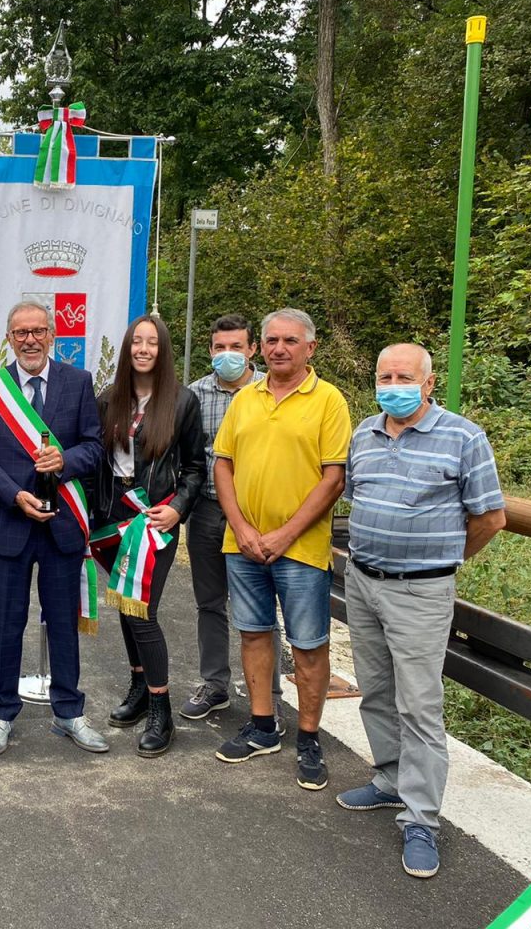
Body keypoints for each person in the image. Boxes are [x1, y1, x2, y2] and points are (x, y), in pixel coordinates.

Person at [336, 343, 505, 879]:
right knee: (376, 691)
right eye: (384, 376)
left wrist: (442, 559)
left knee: (420, 707)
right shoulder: (364, 432)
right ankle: (389, 779)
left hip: (421, 592)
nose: (393, 385)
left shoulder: (463, 437)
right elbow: (357, 495)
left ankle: (421, 819)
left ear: (429, 384)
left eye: (404, 377)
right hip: (363, 581)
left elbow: (490, 518)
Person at [212, 307, 351, 790]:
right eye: (271, 340)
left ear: (310, 347)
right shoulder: (244, 398)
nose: (279, 348)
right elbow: (223, 464)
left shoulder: (329, 401)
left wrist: (284, 534)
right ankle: (262, 726)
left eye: (290, 340)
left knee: (308, 644)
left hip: (301, 549)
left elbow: (334, 479)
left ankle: (309, 737)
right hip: (243, 544)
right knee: (253, 633)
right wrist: (241, 528)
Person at [0, 301, 107, 757]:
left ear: (52, 335)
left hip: (62, 527)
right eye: (21, 332)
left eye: (38, 331)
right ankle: (3, 713)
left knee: (63, 622)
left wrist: (64, 460)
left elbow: (94, 447)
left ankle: (68, 711)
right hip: (10, 524)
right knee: (8, 624)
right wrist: (14, 496)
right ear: (9, 338)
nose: (30, 340)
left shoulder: (78, 381)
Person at [92, 315, 205, 757]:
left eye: (152, 342)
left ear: (163, 350)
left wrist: (178, 509)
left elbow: (195, 466)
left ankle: (162, 709)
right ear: (127, 349)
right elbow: (97, 461)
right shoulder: (109, 399)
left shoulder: (182, 401)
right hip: (114, 515)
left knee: (143, 613)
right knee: (126, 604)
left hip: (156, 518)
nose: (143, 349)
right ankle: (139, 688)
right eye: (136, 341)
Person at [182, 315, 284, 723]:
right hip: (207, 511)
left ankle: (270, 695)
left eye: (237, 347)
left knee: (261, 608)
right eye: (220, 348)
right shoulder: (194, 395)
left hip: (257, 516)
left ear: (252, 349)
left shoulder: (269, 392)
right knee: (209, 603)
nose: (228, 355)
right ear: (210, 351)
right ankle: (215, 684)